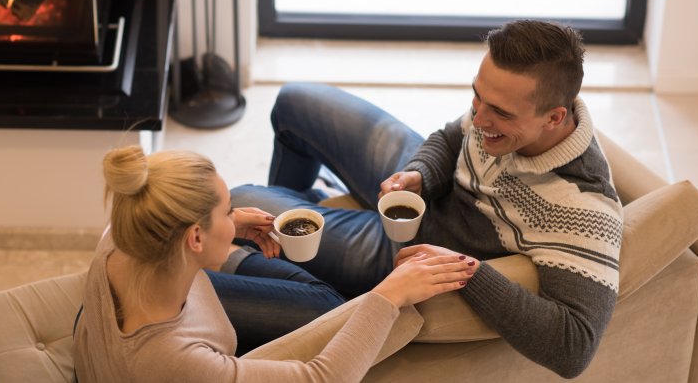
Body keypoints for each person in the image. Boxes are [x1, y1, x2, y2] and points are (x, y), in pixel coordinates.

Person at [227, 19, 623, 378]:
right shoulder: (500, 112)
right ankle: (303, 222)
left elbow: (574, 347)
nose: (480, 120)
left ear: (554, 117)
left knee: (242, 200)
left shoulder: (583, 209)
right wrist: (421, 174)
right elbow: (453, 137)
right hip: (428, 195)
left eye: (498, 112)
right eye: (476, 96)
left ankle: (296, 260)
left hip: (422, 246)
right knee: (295, 101)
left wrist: (467, 269)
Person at [73, 146, 478, 382]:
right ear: (194, 238)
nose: (235, 215)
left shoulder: (122, 236)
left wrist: (228, 226)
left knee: (323, 301)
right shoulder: (175, 359)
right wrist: (388, 295)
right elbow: (321, 378)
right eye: (226, 210)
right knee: (331, 305)